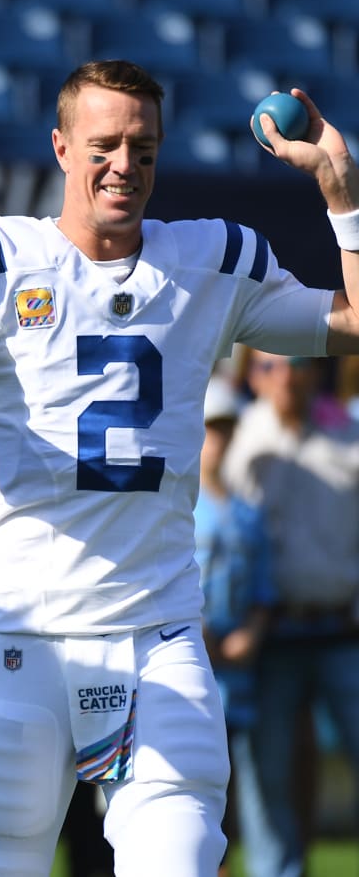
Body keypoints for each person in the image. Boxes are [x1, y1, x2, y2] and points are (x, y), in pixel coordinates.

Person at [0, 58, 359, 875]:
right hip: (21, 639)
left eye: (143, 149)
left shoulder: (212, 258)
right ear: (62, 147)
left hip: (157, 639)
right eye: (104, 146)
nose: (125, 167)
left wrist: (340, 189)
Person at [221, 350, 359, 877]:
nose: (286, 375)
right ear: (251, 374)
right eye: (270, 365)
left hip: (344, 630)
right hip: (269, 639)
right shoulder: (235, 440)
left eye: (297, 362)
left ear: (315, 370)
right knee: (267, 777)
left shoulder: (348, 433)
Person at [194, 374, 276, 877]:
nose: (216, 439)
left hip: (238, 678)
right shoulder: (176, 505)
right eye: (209, 427)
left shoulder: (247, 513)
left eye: (225, 427)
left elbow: (264, 589)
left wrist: (254, 633)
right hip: (185, 668)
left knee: (243, 797)